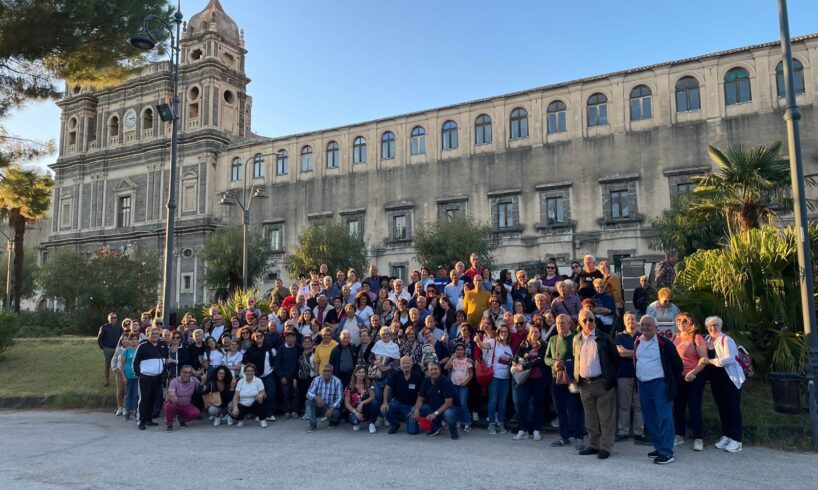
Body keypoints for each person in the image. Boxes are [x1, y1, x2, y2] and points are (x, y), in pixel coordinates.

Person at [634, 315, 683, 464]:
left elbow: (677, 366)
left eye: (648, 325)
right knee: (650, 418)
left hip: (659, 384)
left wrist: (669, 381)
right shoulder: (637, 341)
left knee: (664, 418)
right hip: (643, 384)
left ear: (656, 328)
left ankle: (667, 452)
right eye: (642, 325)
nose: (645, 328)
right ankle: (659, 446)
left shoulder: (664, 343)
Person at [573, 310, 619, 459]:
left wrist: (610, 379)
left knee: (606, 417)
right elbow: (576, 359)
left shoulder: (604, 338)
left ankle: (605, 447)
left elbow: (615, 359)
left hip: (602, 383)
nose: (588, 323)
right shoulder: (577, 339)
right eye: (585, 320)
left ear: (595, 320)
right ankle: (593, 444)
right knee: (590, 417)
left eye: (590, 320)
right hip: (584, 385)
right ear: (580, 322)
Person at [705, 316, 745, 453]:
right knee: (722, 408)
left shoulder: (726, 339)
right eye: (710, 325)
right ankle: (727, 435)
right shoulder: (706, 340)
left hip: (730, 379)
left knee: (732, 408)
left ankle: (737, 439)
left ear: (720, 326)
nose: (712, 328)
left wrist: (711, 361)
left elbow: (729, 358)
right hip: (716, 381)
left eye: (715, 325)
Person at [546, 314, 585, 448]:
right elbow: (546, 358)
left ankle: (579, 436)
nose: (559, 326)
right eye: (557, 323)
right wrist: (554, 362)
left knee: (575, 409)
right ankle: (564, 436)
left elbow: (580, 358)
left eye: (562, 323)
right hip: (556, 379)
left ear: (569, 324)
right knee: (560, 409)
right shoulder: (553, 339)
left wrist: (567, 364)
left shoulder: (575, 338)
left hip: (571, 380)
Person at [673, 313, 708, 451]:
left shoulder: (697, 338)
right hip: (679, 376)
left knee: (694, 406)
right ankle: (679, 434)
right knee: (678, 406)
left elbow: (704, 359)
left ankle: (698, 438)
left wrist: (693, 373)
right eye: (679, 320)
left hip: (695, 376)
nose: (681, 323)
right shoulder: (675, 337)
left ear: (692, 323)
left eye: (685, 321)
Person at [615, 312, 648, 443]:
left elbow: (644, 353)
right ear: (624, 321)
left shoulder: (643, 336)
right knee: (624, 405)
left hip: (640, 375)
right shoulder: (619, 336)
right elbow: (620, 352)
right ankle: (623, 431)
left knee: (639, 405)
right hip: (624, 374)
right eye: (628, 319)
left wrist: (630, 353)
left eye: (633, 319)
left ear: (637, 321)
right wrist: (636, 353)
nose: (631, 321)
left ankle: (639, 432)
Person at [511, 325, 547, 441]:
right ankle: (523, 429)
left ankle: (536, 430)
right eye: (532, 332)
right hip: (525, 378)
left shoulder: (544, 345)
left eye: (537, 332)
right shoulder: (523, 344)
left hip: (539, 378)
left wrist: (526, 364)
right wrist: (518, 363)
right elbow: (516, 357)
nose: (534, 334)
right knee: (522, 403)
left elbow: (541, 360)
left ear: (540, 334)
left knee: (538, 404)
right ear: (529, 333)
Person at [481, 323, 513, 434]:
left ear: (508, 334)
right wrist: (477, 340)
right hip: (494, 376)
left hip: (506, 377)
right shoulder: (493, 342)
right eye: (502, 331)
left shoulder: (509, 347)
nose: (504, 333)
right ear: (498, 333)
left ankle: (501, 423)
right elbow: (482, 346)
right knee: (493, 401)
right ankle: (491, 424)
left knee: (503, 402)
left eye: (506, 332)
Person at [413, 362, 459, 439]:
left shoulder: (446, 382)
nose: (433, 371)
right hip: (433, 406)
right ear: (428, 371)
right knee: (417, 409)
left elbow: (448, 403)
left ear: (440, 370)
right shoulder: (426, 381)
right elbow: (420, 398)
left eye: (435, 369)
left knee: (449, 414)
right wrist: (416, 410)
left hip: (448, 407)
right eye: (431, 369)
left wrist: (435, 414)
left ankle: (453, 430)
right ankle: (437, 426)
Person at [382, 356, 425, 435]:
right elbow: (386, 388)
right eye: (403, 363)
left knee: (413, 432)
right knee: (384, 409)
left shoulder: (417, 376)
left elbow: (420, 396)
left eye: (407, 363)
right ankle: (395, 424)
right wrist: (385, 402)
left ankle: (407, 418)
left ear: (411, 365)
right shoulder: (396, 375)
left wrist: (416, 409)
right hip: (398, 403)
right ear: (400, 365)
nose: (405, 365)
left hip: (411, 406)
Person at [133, 327, 166, 430]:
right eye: (153, 334)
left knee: (152, 399)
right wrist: (139, 375)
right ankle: (141, 421)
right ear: (148, 335)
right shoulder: (142, 346)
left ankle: (148, 419)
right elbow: (135, 362)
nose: (155, 336)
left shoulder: (162, 345)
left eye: (157, 334)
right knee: (144, 399)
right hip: (145, 377)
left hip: (157, 377)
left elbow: (164, 359)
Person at [242, 331, 277, 422]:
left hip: (268, 374)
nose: (259, 337)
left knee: (271, 393)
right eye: (257, 336)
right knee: (257, 395)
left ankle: (269, 414)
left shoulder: (269, 347)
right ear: (254, 338)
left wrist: (273, 366)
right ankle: (260, 414)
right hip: (256, 376)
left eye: (261, 336)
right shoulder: (250, 349)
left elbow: (274, 358)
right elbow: (245, 362)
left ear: (263, 337)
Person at [305, 364, 344, 432]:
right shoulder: (316, 380)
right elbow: (308, 393)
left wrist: (331, 409)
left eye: (328, 371)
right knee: (308, 402)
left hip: (331, 406)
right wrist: (316, 397)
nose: (326, 373)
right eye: (324, 371)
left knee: (335, 414)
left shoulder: (337, 381)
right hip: (320, 405)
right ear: (322, 371)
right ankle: (313, 425)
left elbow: (340, 398)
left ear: (332, 372)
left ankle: (332, 420)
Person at [444, 342, 473, 433]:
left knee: (463, 404)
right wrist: (451, 358)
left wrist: (466, 382)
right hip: (454, 385)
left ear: (464, 351)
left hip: (463, 386)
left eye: (461, 349)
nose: (460, 351)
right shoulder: (454, 359)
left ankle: (467, 423)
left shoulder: (467, 360)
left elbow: (471, 373)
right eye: (458, 349)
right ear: (455, 351)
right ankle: (458, 421)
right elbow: (446, 367)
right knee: (455, 404)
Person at [164, 364, 202, 431]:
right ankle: (169, 424)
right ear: (180, 372)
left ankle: (181, 419)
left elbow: (202, 388)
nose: (187, 374)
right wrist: (172, 396)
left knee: (196, 413)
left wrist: (204, 381)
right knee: (169, 405)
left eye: (189, 372)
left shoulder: (194, 380)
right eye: (185, 372)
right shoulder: (174, 381)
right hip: (175, 403)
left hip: (186, 405)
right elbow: (171, 392)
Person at [275, 330, 302, 419]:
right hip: (284, 376)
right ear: (285, 338)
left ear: (295, 339)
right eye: (288, 337)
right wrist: (281, 376)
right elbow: (277, 364)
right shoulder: (281, 349)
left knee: (295, 393)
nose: (290, 339)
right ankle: (287, 411)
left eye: (292, 337)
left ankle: (295, 411)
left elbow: (298, 364)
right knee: (285, 393)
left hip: (295, 375)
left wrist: (295, 377)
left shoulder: (298, 348)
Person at [231, 363, 267, 428]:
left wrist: (261, 395)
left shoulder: (258, 381)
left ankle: (262, 420)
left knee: (261, 399)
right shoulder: (240, 382)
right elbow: (235, 397)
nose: (250, 372)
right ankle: (240, 420)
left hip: (254, 404)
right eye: (248, 371)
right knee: (234, 413)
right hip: (243, 405)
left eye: (251, 371)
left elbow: (265, 395)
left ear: (254, 372)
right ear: (245, 372)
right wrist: (235, 407)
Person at [344, 365, 377, 433]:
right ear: (355, 374)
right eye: (359, 372)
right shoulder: (349, 386)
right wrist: (355, 412)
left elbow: (372, 396)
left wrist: (362, 403)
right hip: (354, 409)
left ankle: (372, 423)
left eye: (363, 372)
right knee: (354, 421)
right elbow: (346, 403)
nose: (361, 374)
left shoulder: (368, 384)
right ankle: (358, 421)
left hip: (365, 407)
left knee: (375, 403)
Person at [97, 312, 122, 387]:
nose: (113, 319)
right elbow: (99, 338)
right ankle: (106, 381)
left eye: (115, 318)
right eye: (112, 318)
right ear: (108, 319)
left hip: (117, 348)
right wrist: (103, 347)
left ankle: (118, 380)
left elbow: (122, 337)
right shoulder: (104, 327)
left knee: (118, 365)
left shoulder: (119, 327)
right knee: (107, 365)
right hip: (108, 349)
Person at [119, 333, 139, 421]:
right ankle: (127, 411)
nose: (134, 341)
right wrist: (123, 377)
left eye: (136, 339)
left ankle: (135, 411)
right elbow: (121, 365)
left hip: (137, 377)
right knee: (128, 394)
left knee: (136, 395)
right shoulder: (126, 351)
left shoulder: (139, 350)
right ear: (130, 341)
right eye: (132, 339)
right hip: (128, 376)